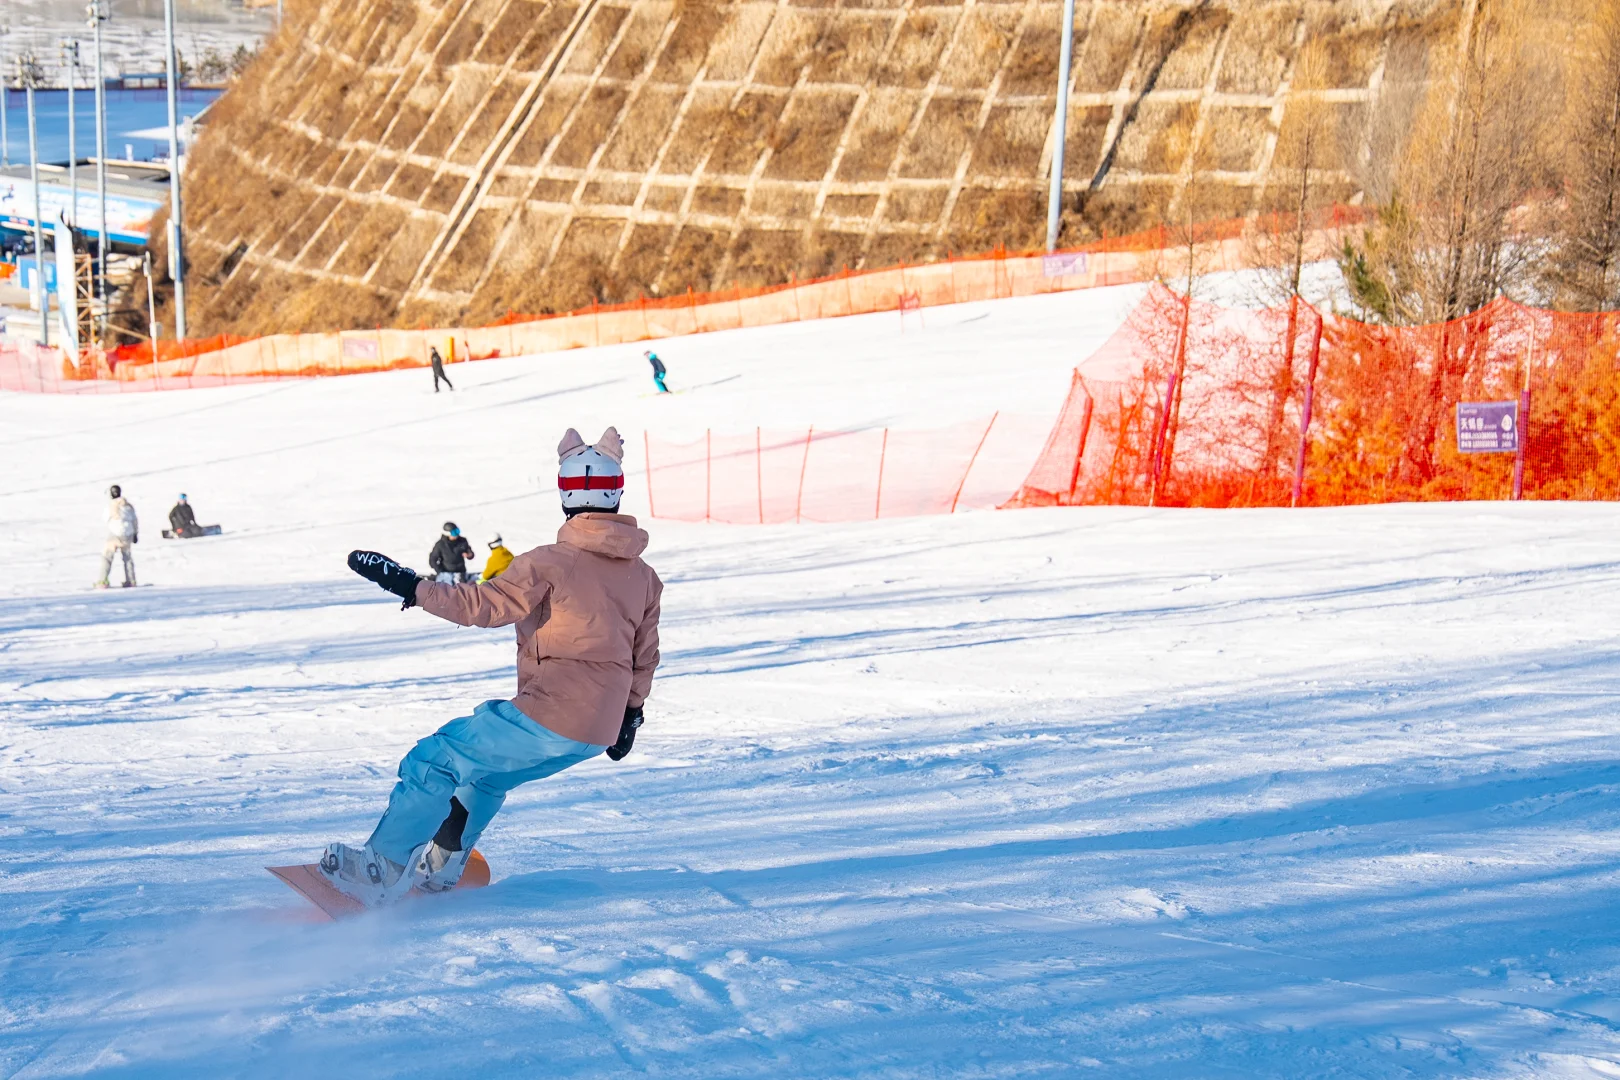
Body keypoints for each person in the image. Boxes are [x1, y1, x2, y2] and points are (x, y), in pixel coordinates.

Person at [327, 426, 662, 906]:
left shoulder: (548, 562)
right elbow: (644, 654)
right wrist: (630, 714)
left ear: (565, 495)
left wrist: (411, 586)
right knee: (484, 777)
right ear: (617, 494)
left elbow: (482, 606)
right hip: (597, 730)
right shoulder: (644, 577)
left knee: (437, 758)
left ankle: (382, 865)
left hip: (554, 711)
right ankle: (443, 866)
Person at [95, 484, 138, 589]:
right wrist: (135, 534)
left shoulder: (111, 505)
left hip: (114, 534)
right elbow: (134, 520)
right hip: (128, 534)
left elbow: (105, 518)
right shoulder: (128, 506)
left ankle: (102, 580)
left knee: (107, 557)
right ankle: (131, 580)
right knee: (127, 557)